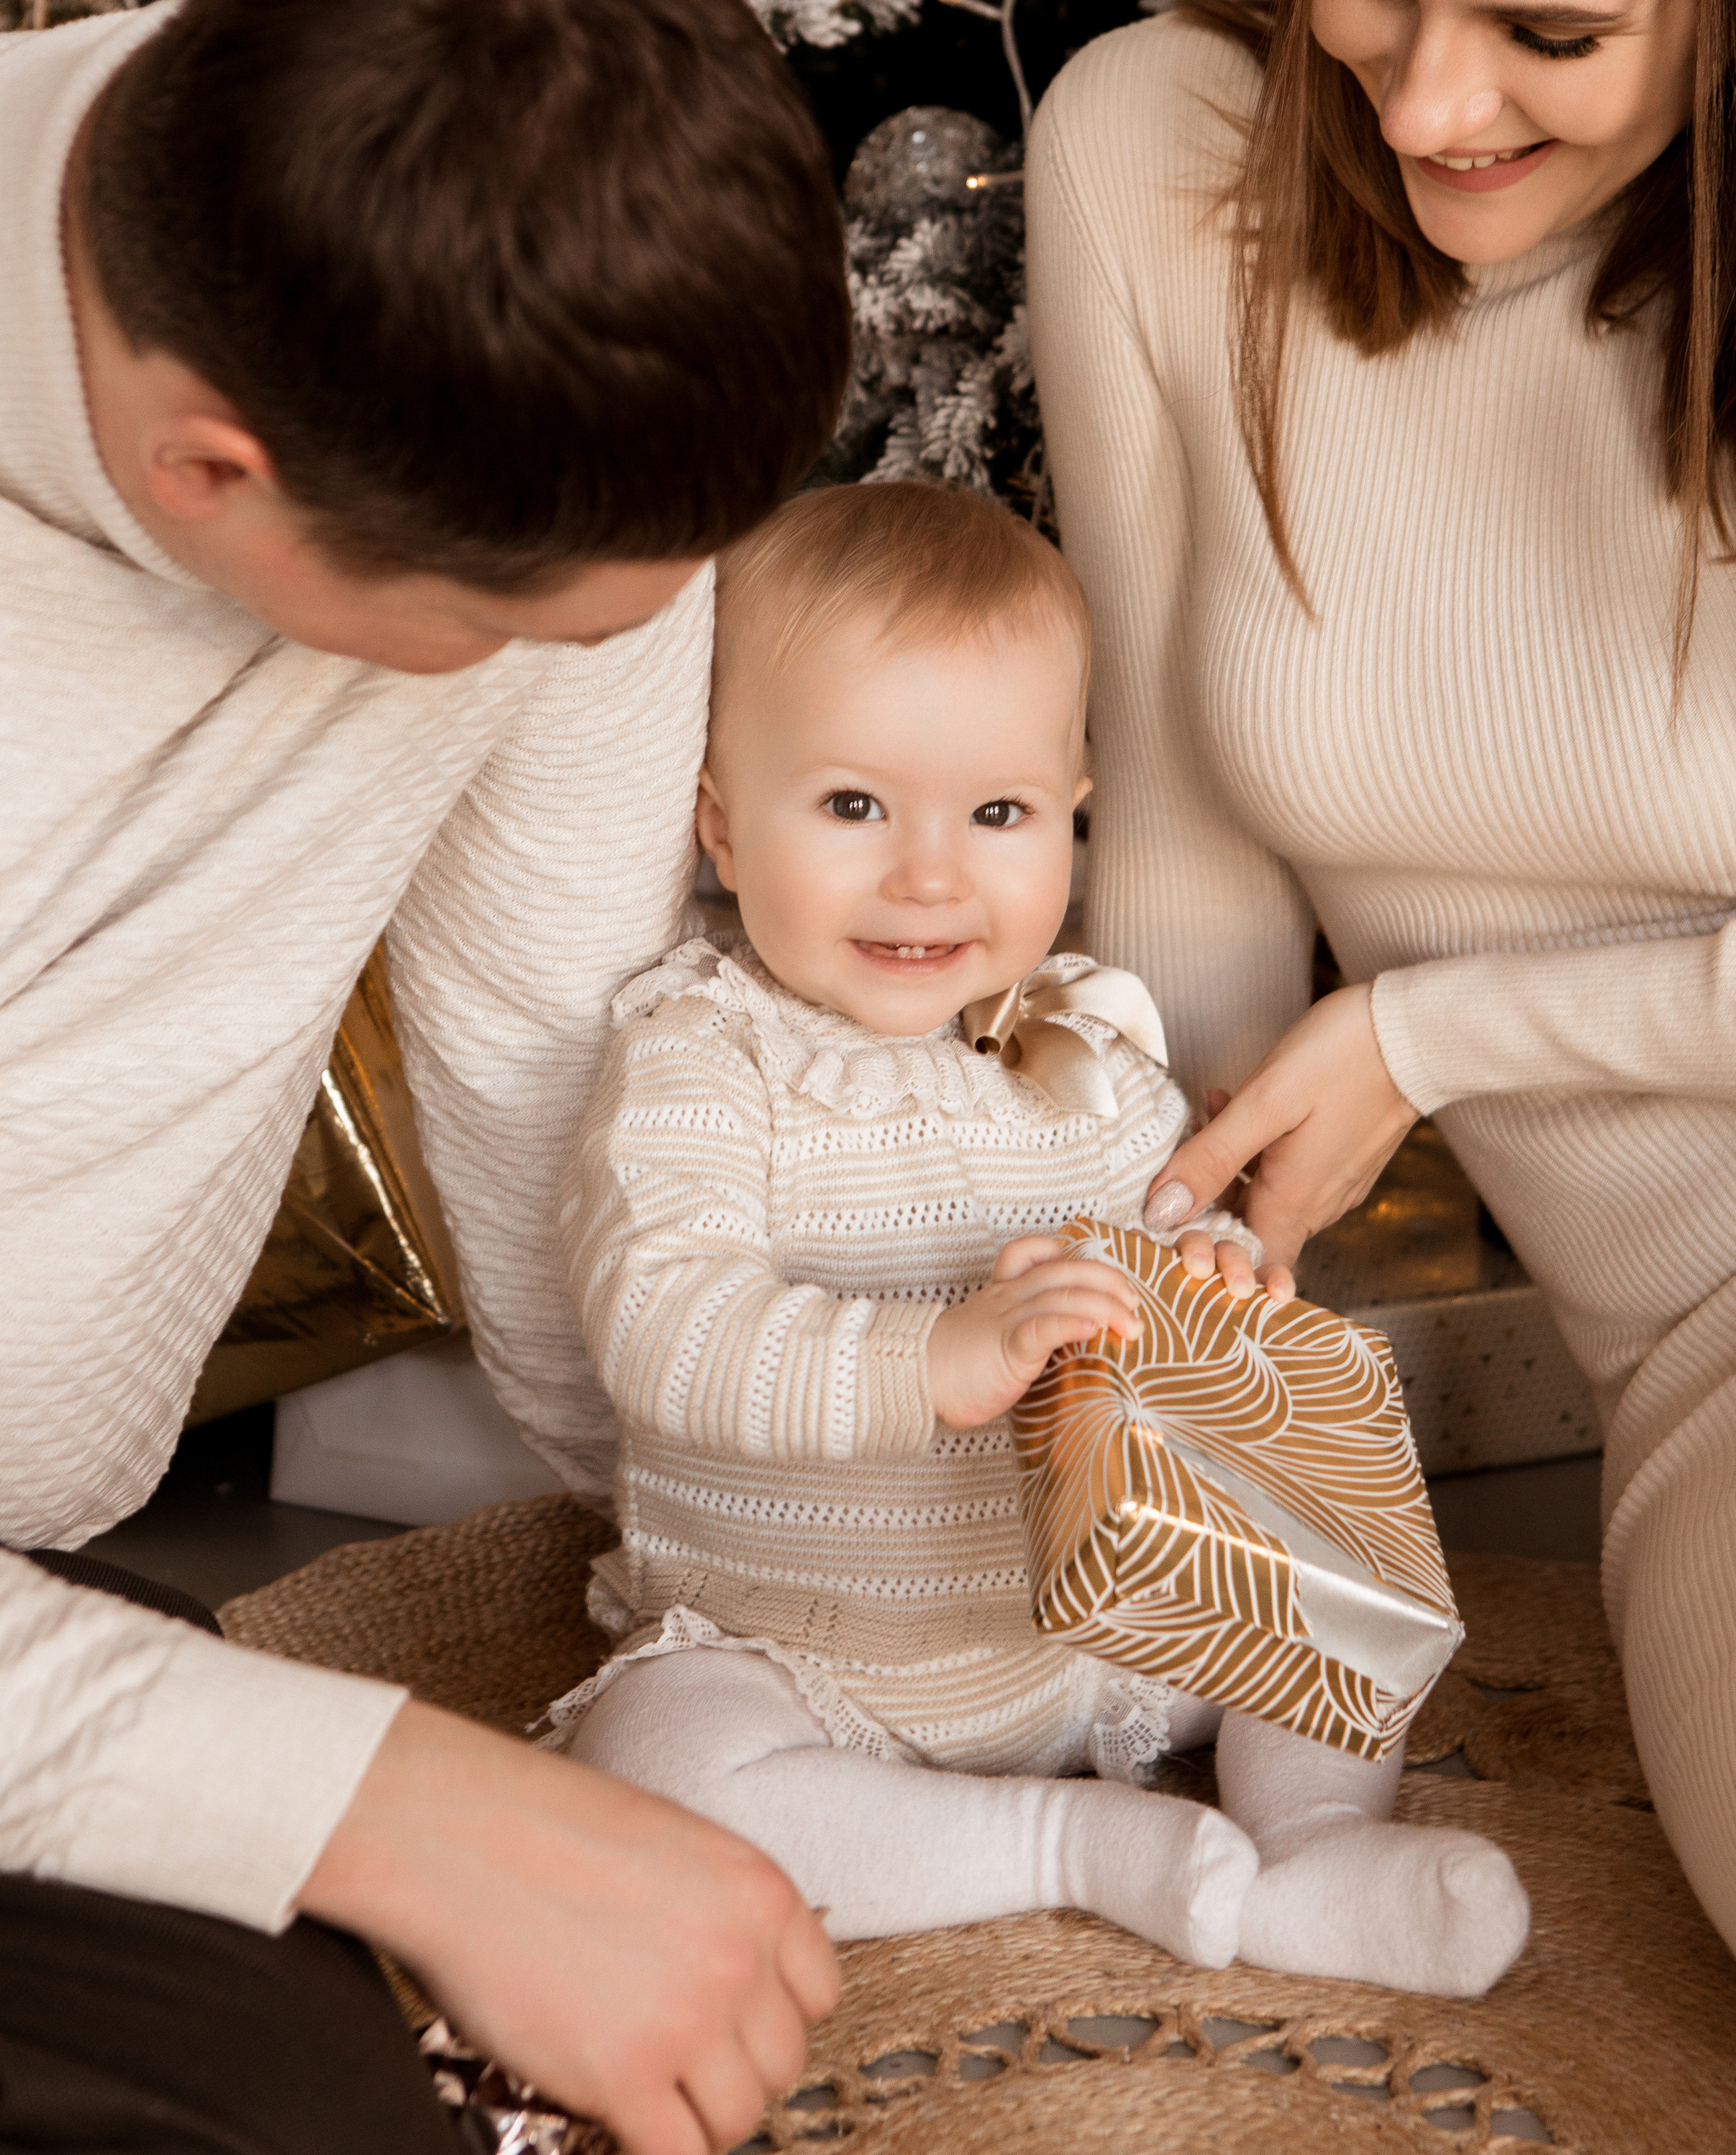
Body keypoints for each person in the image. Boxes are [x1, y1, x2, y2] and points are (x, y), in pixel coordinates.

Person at [0, 0, 847, 2155]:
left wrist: (755, 1552)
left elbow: (535, 1057)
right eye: (506, 634)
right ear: (206, 467)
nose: (592, 669)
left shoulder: (448, 285)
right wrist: (379, 1793)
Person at [1027, 0, 1736, 2115]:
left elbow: (1390, 1034)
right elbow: (1179, 848)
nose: (1424, 101)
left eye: (1552, 33)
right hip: (1726, 1367)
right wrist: (1162, 1371)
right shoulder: (1156, 162)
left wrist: (1450, 1029)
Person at [546, 477, 1530, 1997]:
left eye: (995, 813)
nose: (930, 872)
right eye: (853, 805)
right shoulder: (698, 1056)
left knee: (1326, 1594)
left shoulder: (1087, 1061)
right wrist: (932, 1357)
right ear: (721, 828)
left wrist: (1215, 1289)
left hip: (1106, 1647)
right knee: (652, 1772)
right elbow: (663, 1326)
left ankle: (1316, 1850)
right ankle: (1064, 1855)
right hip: (815, 1658)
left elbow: (1190, 1295)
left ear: (1071, 817)